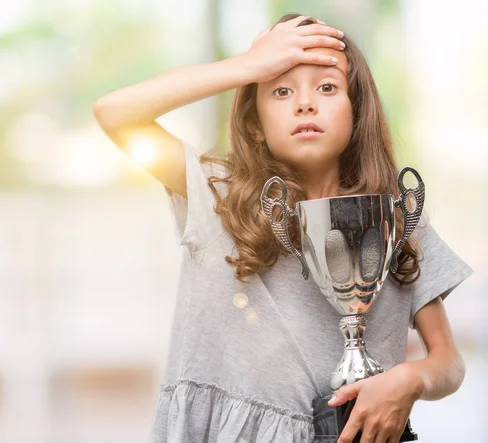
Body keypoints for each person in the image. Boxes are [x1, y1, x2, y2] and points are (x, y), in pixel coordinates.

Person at [93, 13, 473, 443]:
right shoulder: (218, 196)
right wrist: (249, 66)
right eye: (280, 89)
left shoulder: (397, 221)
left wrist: (411, 379)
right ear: (255, 124)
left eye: (327, 87)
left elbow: (448, 361)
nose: (305, 103)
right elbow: (114, 114)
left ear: (357, 111)